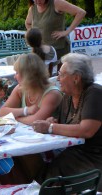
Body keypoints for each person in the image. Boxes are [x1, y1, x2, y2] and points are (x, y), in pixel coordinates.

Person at [32, 53, 102, 190]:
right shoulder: (67, 97)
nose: (58, 79)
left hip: (94, 158)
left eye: (61, 74)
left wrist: (51, 127)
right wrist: (53, 121)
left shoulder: (94, 93)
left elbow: (86, 130)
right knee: (34, 160)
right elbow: (61, 123)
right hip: (74, 154)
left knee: (49, 172)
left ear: (76, 78)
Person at [0, 53, 62, 125]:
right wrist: (26, 110)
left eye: (17, 73)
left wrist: (15, 118)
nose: (14, 77)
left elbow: (36, 120)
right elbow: (2, 112)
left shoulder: (52, 94)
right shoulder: (20, 89)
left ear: (27, 75)